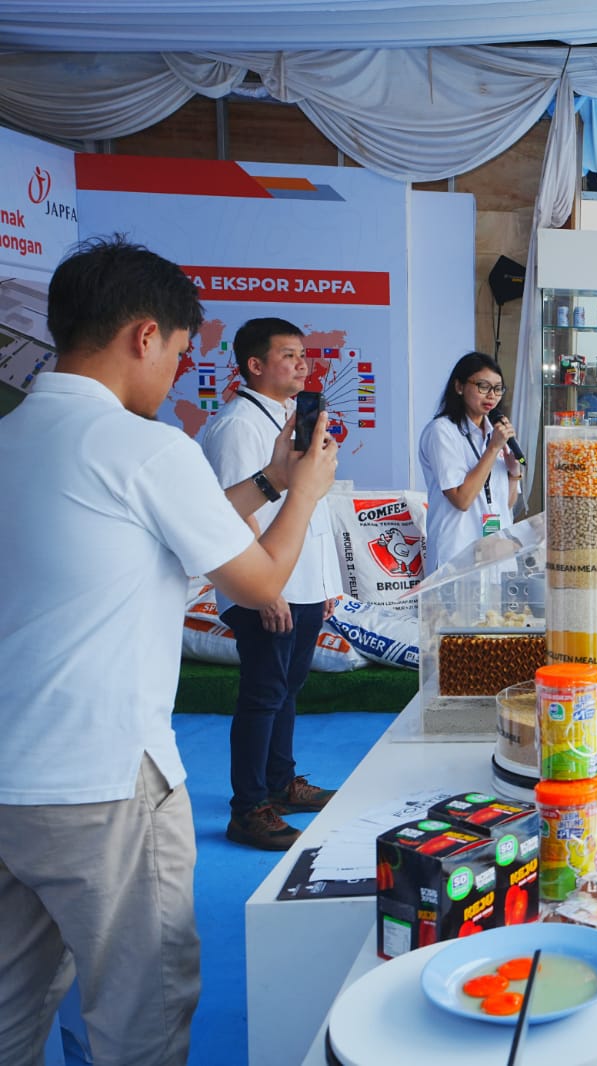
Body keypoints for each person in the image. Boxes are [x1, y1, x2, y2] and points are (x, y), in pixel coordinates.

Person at [0, 237, 338, 1066]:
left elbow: (162, 530)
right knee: (139, 1018)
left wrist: (269, 482)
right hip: (106, 782)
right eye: (181, 353)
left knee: (14, 1009)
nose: (178, 372)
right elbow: (260, 580)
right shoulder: (146, 446)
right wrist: (304, 491)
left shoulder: (15, 436)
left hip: (13, 777)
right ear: (144, 335)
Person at [199, 317, 342, 851]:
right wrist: (268, 591)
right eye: (288, 355)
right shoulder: (238, 425)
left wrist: (323, 583)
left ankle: (280, 782)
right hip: (265, 585)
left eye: (303, 354)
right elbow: (236, 513)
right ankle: (249, 807)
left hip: (299, 581)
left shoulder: (292, 417)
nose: (302, 364)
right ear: (255, 365)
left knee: (287, 688)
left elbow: (310, 505)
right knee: (262, 694)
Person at [418, 352, 523, 576]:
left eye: (498, 388)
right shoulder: (442, 432)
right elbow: (462, 499)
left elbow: (505, 504)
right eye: (483, 386)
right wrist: (492, 449)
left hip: (495, 557)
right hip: (457, 556)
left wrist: (514, 474)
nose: (492, 395)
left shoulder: (496, 432)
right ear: (459, 386)